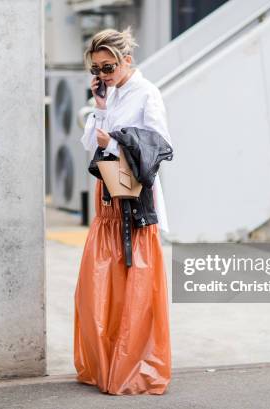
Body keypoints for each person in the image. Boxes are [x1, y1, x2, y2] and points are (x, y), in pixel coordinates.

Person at [73, 27, 173, 395]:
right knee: (99, 285)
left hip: (132, 200)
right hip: (106, 195)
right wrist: (100, 108)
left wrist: (113, 138)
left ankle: (134, 367)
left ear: (126, 60)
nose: (102, 74)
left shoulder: (147, 93)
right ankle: (105, 361)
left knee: (136, 286)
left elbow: (160, 145)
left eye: (109, 66)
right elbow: (88, 143)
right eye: (96, 68)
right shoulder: (109, 96)